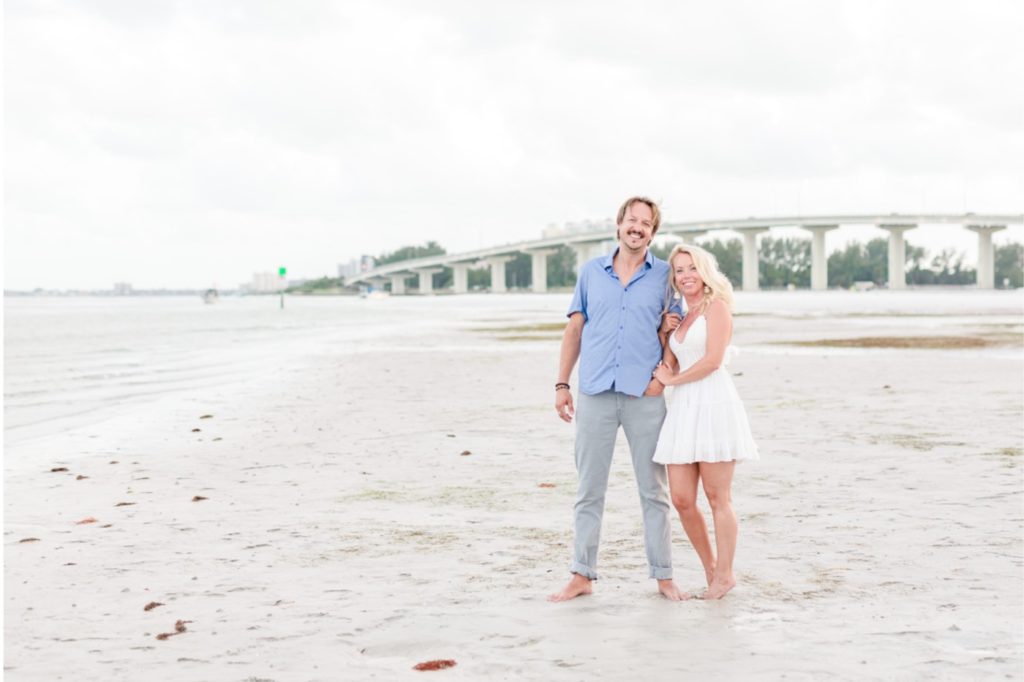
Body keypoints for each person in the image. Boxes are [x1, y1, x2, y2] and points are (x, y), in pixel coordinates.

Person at [549, 196, 685, 602]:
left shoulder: (665, 277)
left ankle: (663, 576)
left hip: (645, 397)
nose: (637, 227)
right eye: (631, 220)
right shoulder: (591, 273)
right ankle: (582, 574)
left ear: (653, 232)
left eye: (646, 223)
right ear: (619, 225)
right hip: (594, 393)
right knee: (589, 490)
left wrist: (662, 380)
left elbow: (675, 333)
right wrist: (561, 385)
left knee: (654, 492)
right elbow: (574, 332)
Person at [653, 243, 759, 600]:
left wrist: (672, 382)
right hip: (683, 410)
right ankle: (711, 570)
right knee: (682, 500)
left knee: (717, 497)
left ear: (704, 271)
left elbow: (713, 361)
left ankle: (725, 575)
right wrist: (665, 335)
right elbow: (670, 364)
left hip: (713, 404)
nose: (685, 277)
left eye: (691, 269)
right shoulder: (682, 315)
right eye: (679, 271)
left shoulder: (718, 309)